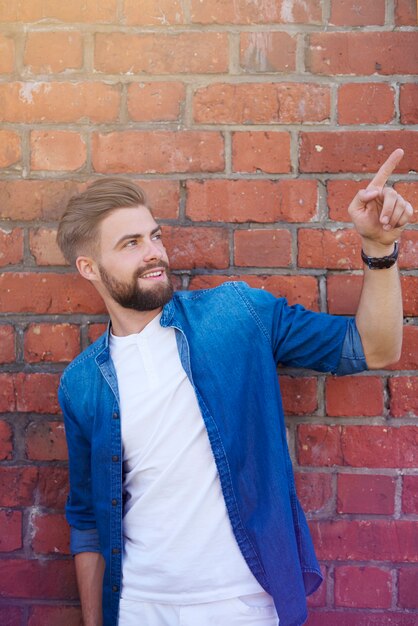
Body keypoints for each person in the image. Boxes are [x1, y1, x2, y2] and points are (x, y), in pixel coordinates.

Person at [56, 148, 413, 626]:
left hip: (240, 605)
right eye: (130, 244)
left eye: (155, 236)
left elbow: (374, 346)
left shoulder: (235, 315)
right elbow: (87, 521)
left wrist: (379, 249)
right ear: (88, 269)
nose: (154, 253)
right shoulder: (82, 383)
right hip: (138, 606)